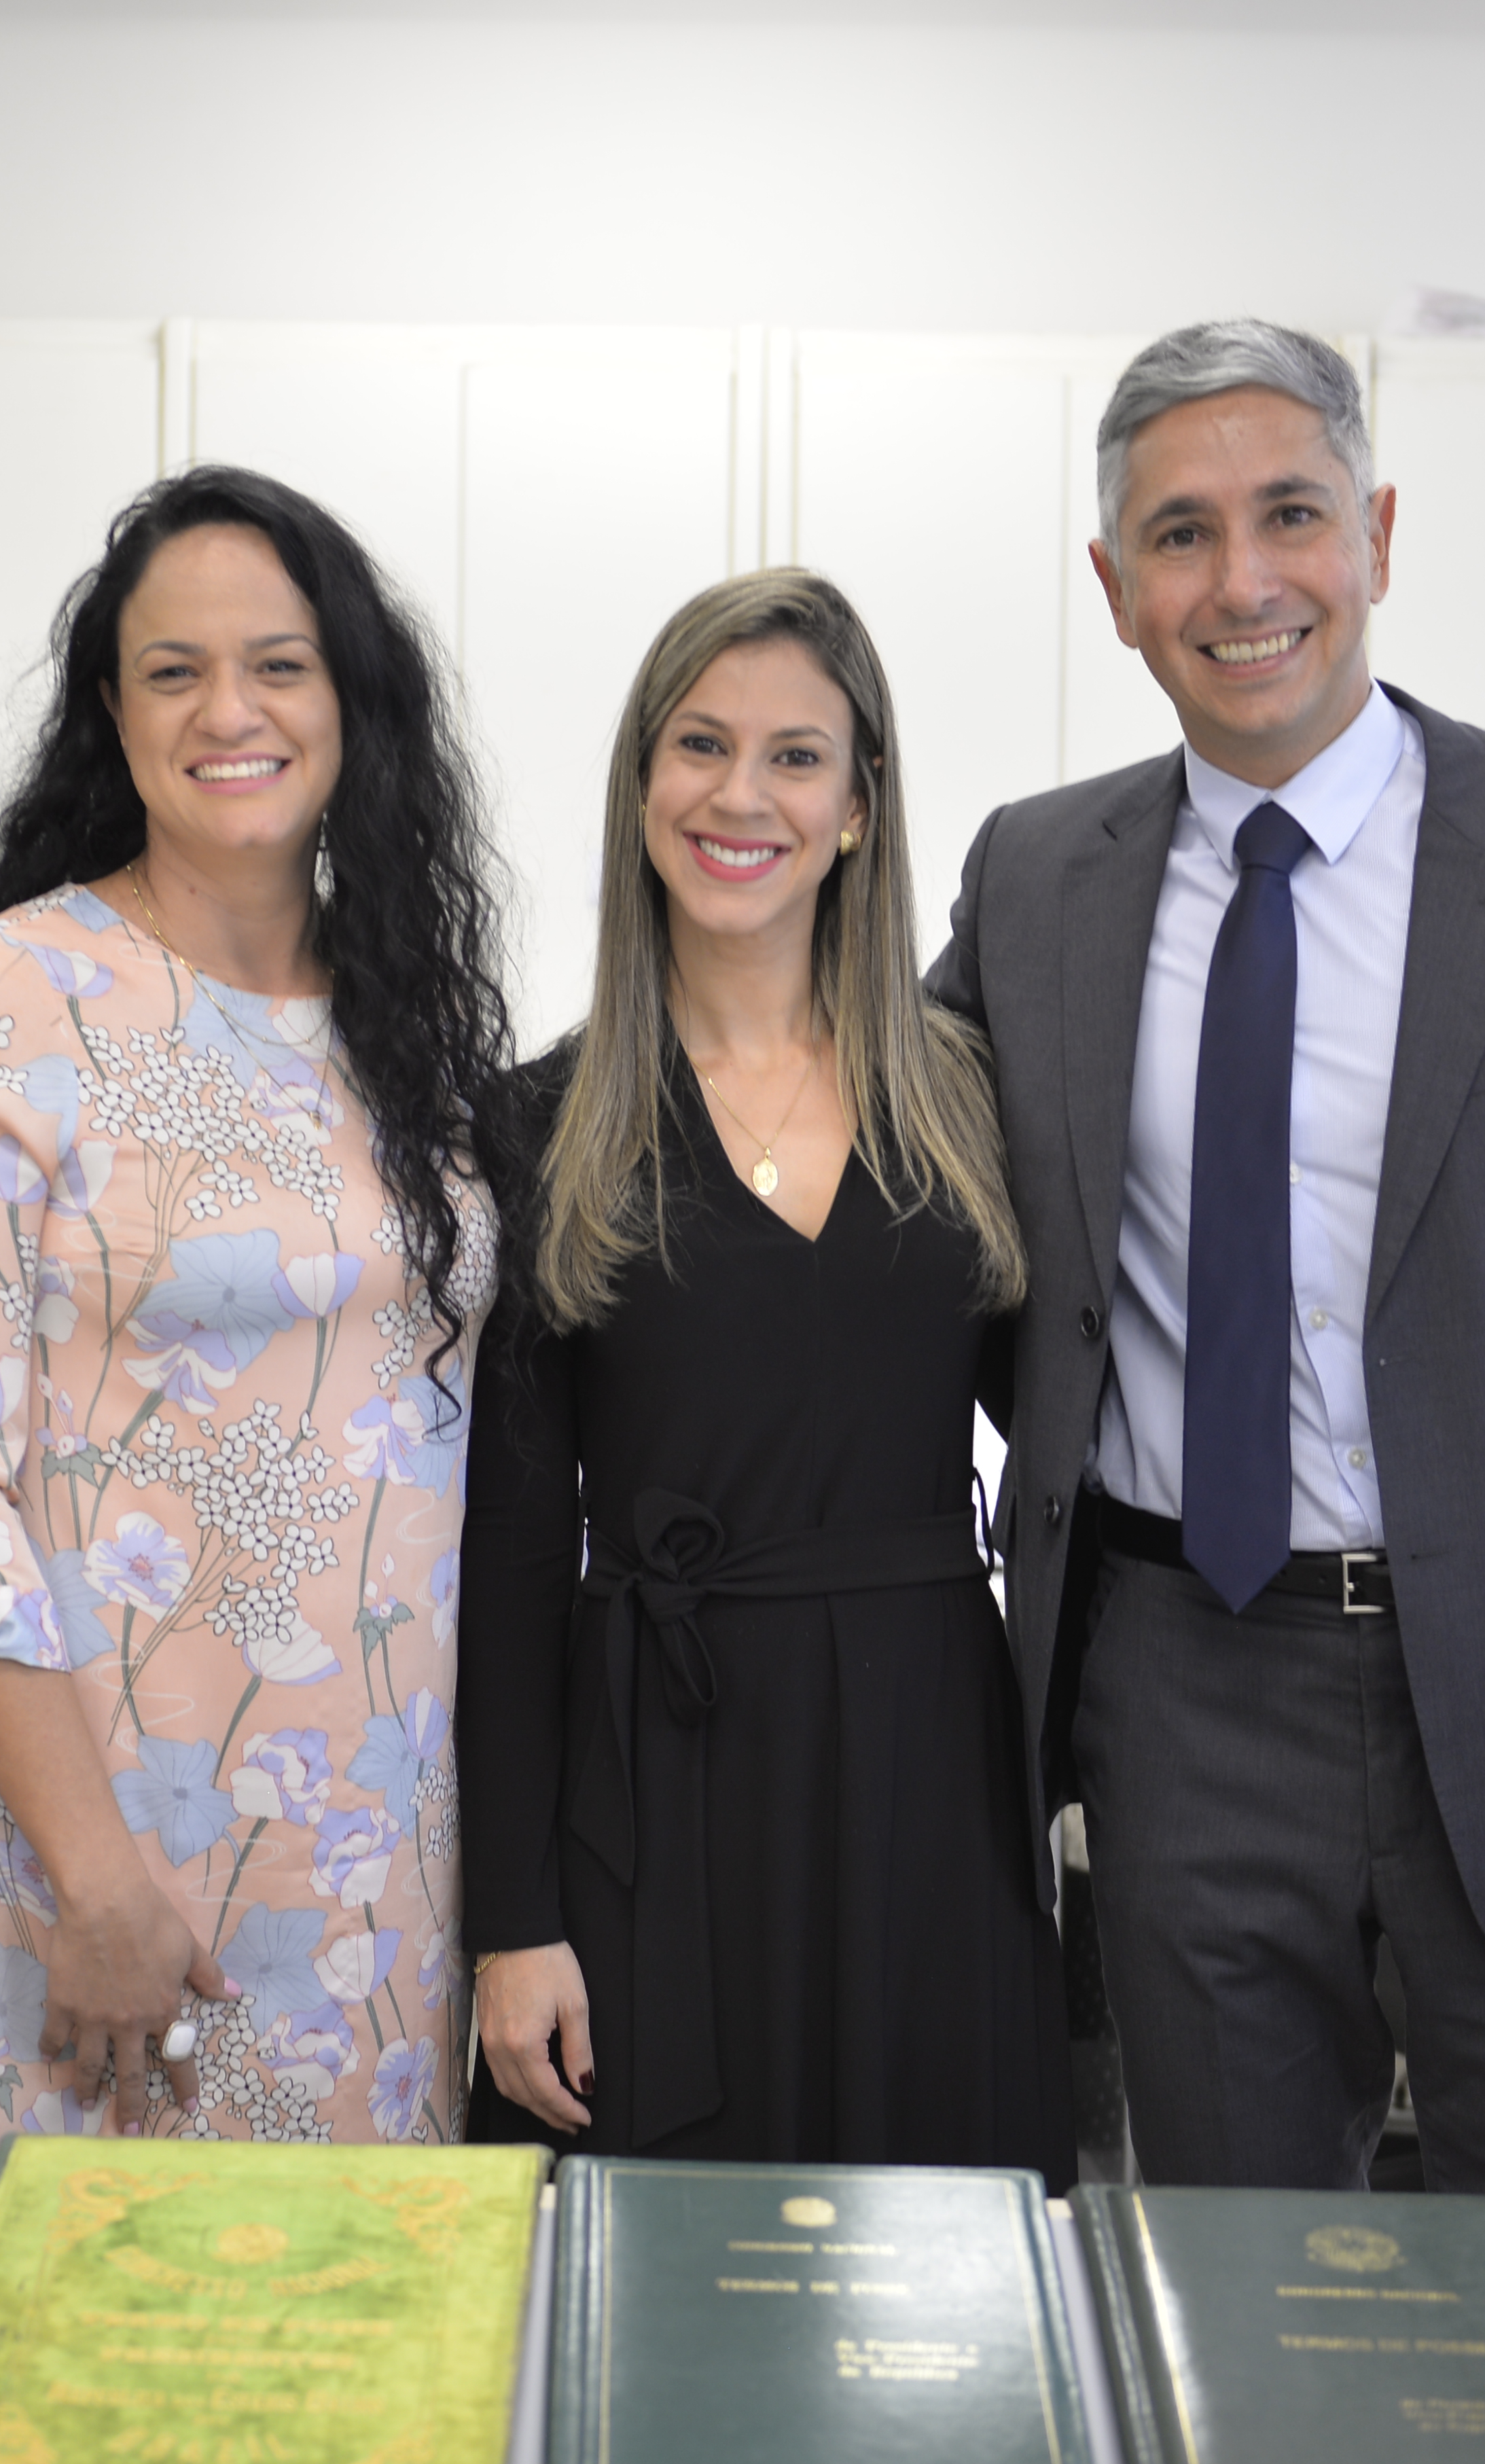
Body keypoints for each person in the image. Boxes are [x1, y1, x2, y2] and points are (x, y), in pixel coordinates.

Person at [927, 321, 1485, 2214]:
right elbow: (897, 1193)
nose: (1240, 582)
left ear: (1379, 535)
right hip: (1182, 1684)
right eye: (1179, 534)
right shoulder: (1034, 881)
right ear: (1113, 586)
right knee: (1234, 2292)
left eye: (1290, 515)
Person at [0, 467, 511, 2157]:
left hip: (384, 1873)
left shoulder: (410, 1026)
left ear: (352, 700)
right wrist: (93, 1879)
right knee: (107, 2308)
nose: (230, 711)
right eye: (174, 671)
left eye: (279, 664)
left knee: (367, 2312)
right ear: (112, 711)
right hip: (114, 1866)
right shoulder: (7, 1000)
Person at [461, 570, 1069, 2180]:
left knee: (938, 2256)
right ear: (639, 786)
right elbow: (507, 1557)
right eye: (700, 744)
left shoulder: (974, 1101)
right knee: (666, 2270)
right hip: (654, 1781)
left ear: (859, 806)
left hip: (930, 1769)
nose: (742, 794)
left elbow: (1075, 1434)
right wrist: (511, 1919)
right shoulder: (535, 1126)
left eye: (796, 755)